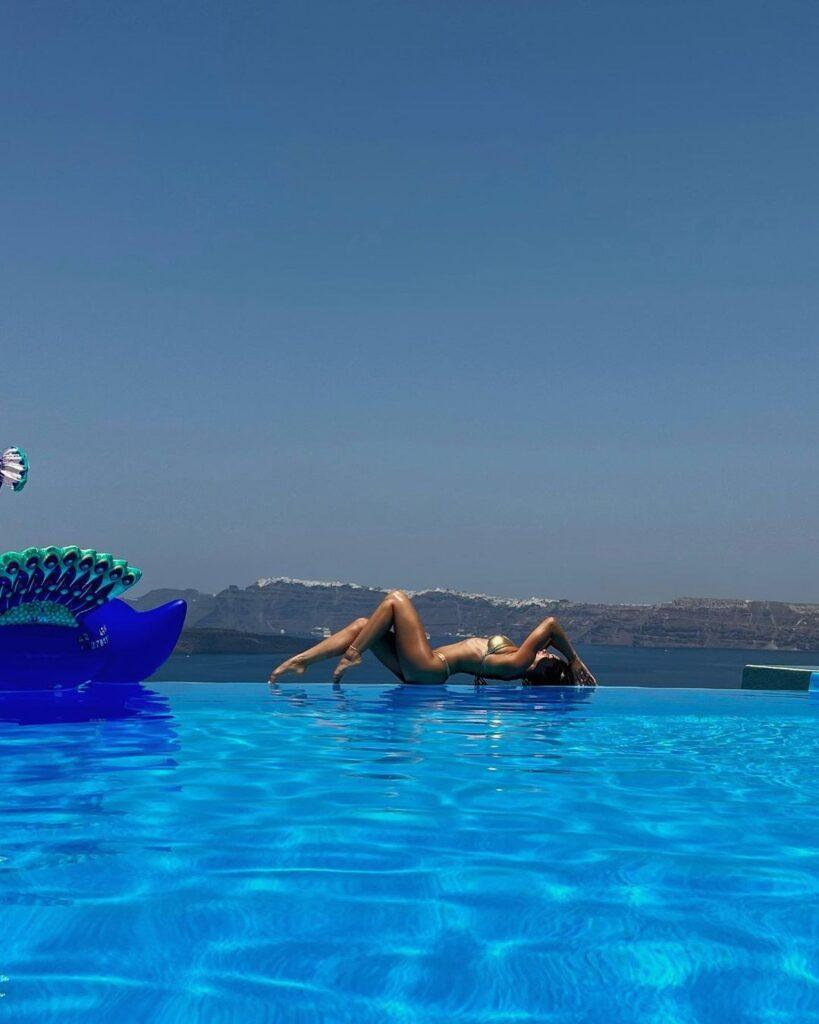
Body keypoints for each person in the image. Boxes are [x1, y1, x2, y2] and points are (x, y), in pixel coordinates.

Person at [269, 589, 596, 687]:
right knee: (363, 624)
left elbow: (551, 626)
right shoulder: (516, 664)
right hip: (422, 670)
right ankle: (302, 662)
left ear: (540, 665)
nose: (546, 651)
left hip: (430, 667)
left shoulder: (519, 661)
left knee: (396, 599)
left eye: (549, 656)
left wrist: (575, 659)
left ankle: (353, 654)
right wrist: (564, 662)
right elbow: (548, 640)